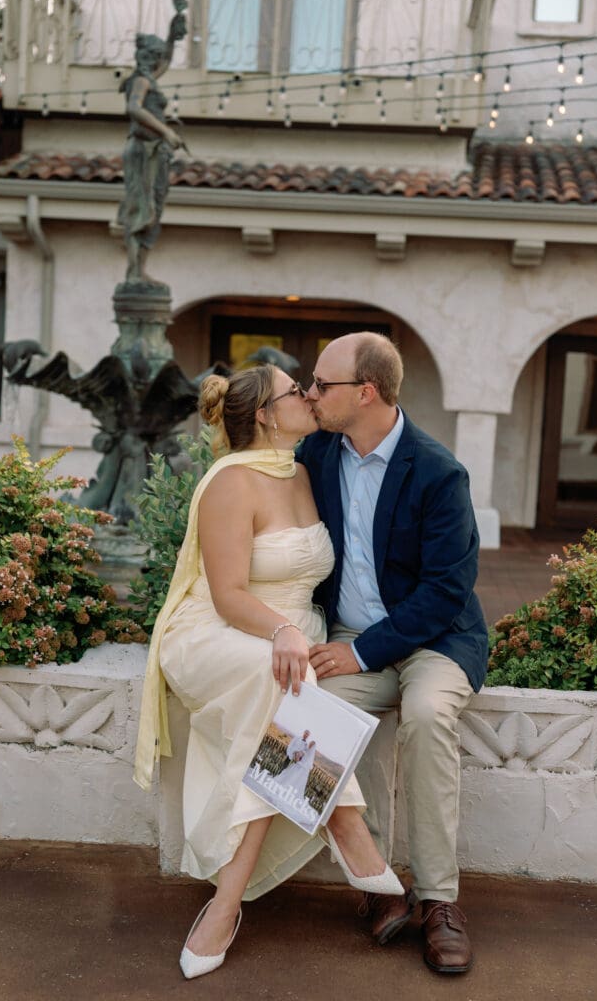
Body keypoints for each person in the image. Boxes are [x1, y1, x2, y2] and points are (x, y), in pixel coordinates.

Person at [134, 364, 404, 981]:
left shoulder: (305, 470)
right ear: (263, 414)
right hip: (218, 632)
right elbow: (227, 593)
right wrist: (281, 631)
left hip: (289, 638)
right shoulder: (229, 481)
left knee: (283, 697)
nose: (309, 396)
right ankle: (347, 823)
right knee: (281, 682)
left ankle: (225, 905)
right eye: (295, 392)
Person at [297, 332, 489, 975]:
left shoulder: (438, 471)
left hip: (435, 642)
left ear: (367, 392)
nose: (311, 394)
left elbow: (446, 590)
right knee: (298, 715)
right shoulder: (317, 455)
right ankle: (376, 883)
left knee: (430, 715)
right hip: (349, 640)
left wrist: (365, 652)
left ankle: (440, 903)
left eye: (322, 385)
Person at [118, 1, 188, 285]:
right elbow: (134, 109)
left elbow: (168, 62)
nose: (160, 61)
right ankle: (134, 272)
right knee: (141, 206)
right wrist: (166, 132)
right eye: (157, 55)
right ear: (147, 56)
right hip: (142, 150)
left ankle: (140, 270)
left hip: (154, 152)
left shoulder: (150, 78)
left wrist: (173, 32)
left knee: (154, 207)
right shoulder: (140, 82)